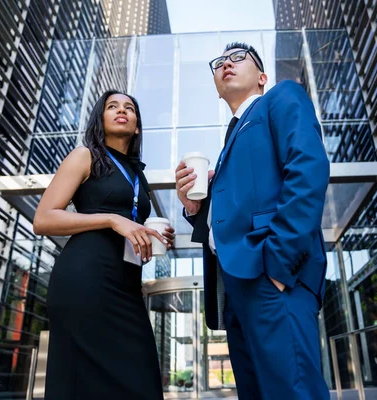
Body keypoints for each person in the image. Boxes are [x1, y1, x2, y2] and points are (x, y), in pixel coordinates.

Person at [175, 43, 330, 399]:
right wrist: (194, 207)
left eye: (238, 58)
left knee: (293, 391)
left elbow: (308, 171)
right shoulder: (228, 142)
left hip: (272, 276)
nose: (226, 63)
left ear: (262, 77)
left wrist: (279, 266)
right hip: (235, 289)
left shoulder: (280, 98)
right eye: (219, 62)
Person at [33, 90, 174, 399]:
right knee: (82, 385)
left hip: (126, 287)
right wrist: (111, 219)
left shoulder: (139, 175)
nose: (121, 111)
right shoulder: (85, 156)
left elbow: (130, 231)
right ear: (101, 118)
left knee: (143, 382)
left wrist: (151, 239)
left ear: (137, 125)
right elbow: (43, 219)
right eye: (112, 107)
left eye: (129, 108)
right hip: (84, 282)